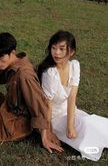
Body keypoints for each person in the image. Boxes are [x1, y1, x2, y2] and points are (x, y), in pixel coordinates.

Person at [37, 30, 108, 161]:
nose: (56, 53)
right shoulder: (50, 73)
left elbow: (72, 97)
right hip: (55, 118)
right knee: (85, 125)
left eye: (61, 49)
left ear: (71, 51)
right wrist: (47, 132)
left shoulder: (74, 66)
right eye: (53, 48)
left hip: (71, 111)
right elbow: (47, 106)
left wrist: (70, 125)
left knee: (93, 122)